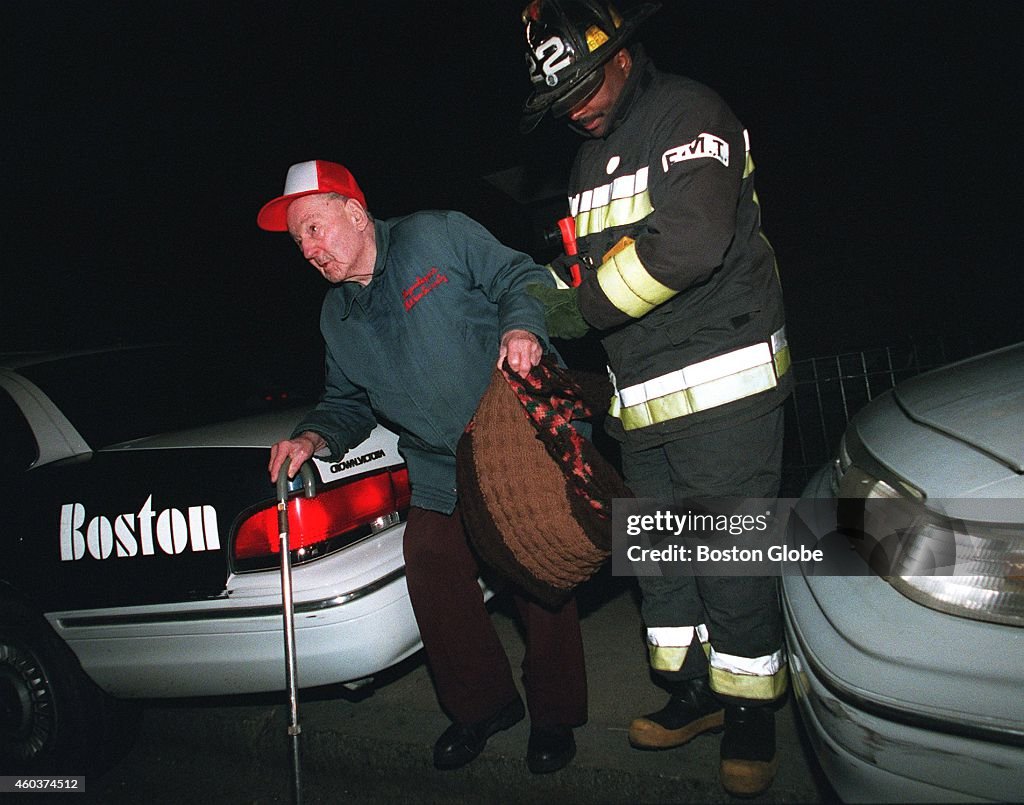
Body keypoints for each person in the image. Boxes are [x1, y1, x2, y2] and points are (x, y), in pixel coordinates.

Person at [517, 1, 793, 797]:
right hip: (640, 402)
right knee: (666, 566)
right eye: (560, 100)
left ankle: (752, 715)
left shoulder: (688, 112)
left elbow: (693, 241)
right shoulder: (582, 162)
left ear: (626, 56)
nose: (577, 107)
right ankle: (696, 693)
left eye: (585, 85)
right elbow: (590, 272)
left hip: (722, 385)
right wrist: (550, 305)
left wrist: (584, 307)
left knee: (732, 561)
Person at [257, 160, 586, 774]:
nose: (307, 249)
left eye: (314, 227)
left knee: (537, 565)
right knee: (430, 561)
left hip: (509, 436)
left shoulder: (434, 235)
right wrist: (310, 438)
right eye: (298, 239)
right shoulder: (337, 317)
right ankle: (483, 705)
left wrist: (521, 325)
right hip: (438, 465)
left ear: (355, 213)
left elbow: (518, 274)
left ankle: (554, 713)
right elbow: (346, 403)